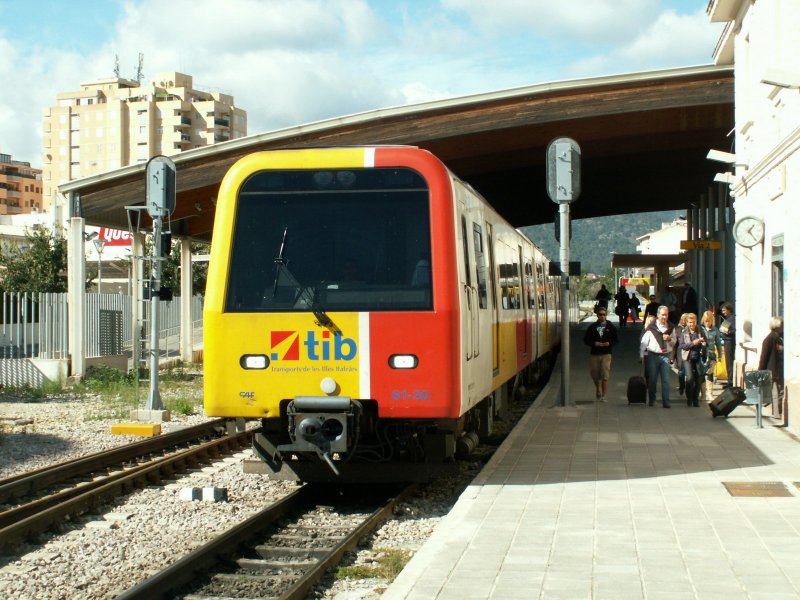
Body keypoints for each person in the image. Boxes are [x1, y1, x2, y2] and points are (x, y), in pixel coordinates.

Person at [640, 305, 675, 408]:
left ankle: (666, 401)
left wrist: (669, 339)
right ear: (658, 315)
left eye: (666, 315)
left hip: (665, 355)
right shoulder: (652, 327)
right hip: (653, 355)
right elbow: (644, 342)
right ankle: (652, 399)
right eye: (663, 315)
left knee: (666, 379)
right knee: (652, 379)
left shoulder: (671, 327)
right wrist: (642, 355)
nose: (665, 317)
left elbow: (674, 342)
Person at [583, 307, 618, 402]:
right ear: (597, 316)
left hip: (606, 353)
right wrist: (594, 343)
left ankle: (604, 395)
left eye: (604, 314)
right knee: (595, 373)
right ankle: (598, 388)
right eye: (600, 314)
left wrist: (609, 343)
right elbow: (586, 340)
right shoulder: (592, 327)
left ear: (606, 315)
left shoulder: (610, 327)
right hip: (595, 353)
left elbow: (616, 339)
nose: (602, 316)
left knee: (605, 373)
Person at [677, 313, 707, 407]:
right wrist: (693, 343)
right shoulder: (684, 332)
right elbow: (682, 346)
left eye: (693, 322)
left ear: (696, 321)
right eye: (690, 322)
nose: (692, 324)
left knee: (699, 378)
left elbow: (706, 341)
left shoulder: (700, 330)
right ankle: (689, 398)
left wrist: (704, 343)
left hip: (698, 357)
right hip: (687, 358)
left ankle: (695, 399)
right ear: (687, 322)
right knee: (690, 378)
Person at [758, 316, 784, 413]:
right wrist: (760, 371)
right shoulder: (769, 339)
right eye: (781, 325)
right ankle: (777, 413)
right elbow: (764, 357)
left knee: (779, 391)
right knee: (776, 392)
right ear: (776, 326)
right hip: (773, 370)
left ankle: (778, 412)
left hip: (779, 369)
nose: (783, 327)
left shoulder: (779, 337)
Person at [700, 310, 721, 401]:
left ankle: (710, 393)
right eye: (706, 321)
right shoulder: (700, 329)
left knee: (710, 374)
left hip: (711, 353)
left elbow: (718, 343)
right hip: (702, 353)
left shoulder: (715, 330)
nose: (707, 323)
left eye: (709, 320)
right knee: (701, 374)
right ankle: (703, 394)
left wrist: (720, 354)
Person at [719, 302, 736, 387]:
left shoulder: (732, 318)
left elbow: (734, 330)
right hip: (726, 341)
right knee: (727, 361)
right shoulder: (727, 319)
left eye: (724, 310)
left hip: (729, 341)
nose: (723, 312)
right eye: (722, 311)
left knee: (729, 361)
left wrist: (727, 332)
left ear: (729, 310)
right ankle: (729, 380)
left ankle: (731, 381)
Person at [673, 313, 689, 397]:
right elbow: (675, 344)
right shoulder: (677, 329)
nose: (684, 321)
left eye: (686, 320)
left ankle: (688, 388)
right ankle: (682, 386)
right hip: (680, 353)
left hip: (689, 353)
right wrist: (672, 357)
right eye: (684, 320)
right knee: (681, 372)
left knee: (689, 373)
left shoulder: (691, 329)